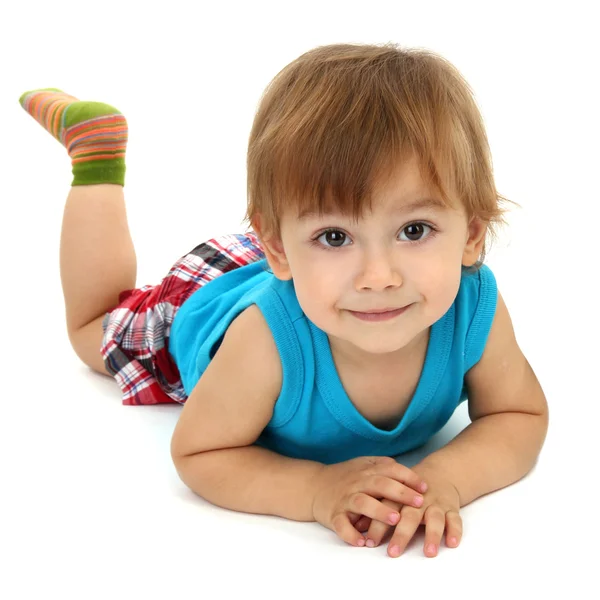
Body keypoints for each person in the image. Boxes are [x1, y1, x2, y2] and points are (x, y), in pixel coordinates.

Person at [18, 42, 548, 559]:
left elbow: (519, 414)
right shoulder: (264, 344)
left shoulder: (474, 304)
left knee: (334, 238)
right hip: (205, 294)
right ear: (278, 247)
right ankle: (96, 159)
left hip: (308, 272)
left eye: (414, 229)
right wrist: (314, 490)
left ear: (473, 235)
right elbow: (200, 452)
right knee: (94, 329)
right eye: (337, 235)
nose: (379, 277)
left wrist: (446, 479)